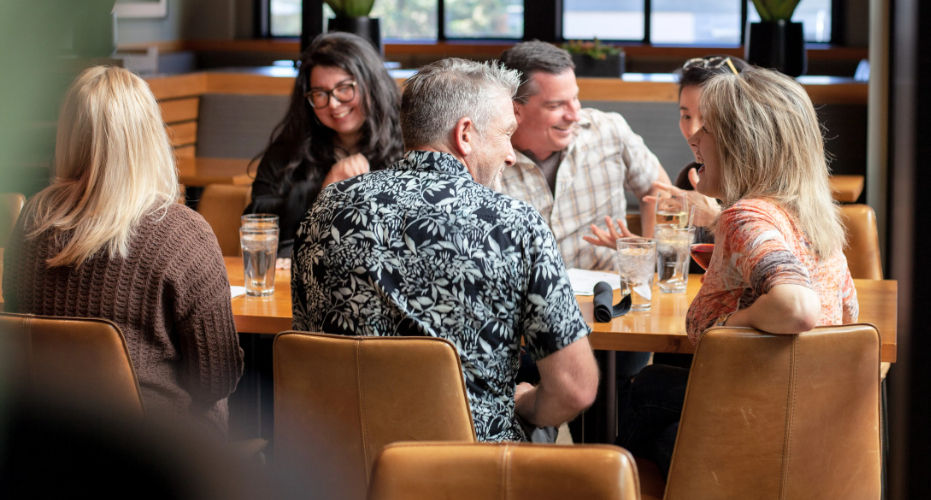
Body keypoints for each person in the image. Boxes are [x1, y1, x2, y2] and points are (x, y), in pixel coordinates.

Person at [290, 58, 599, 442]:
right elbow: (576, 388)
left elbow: (307, 345)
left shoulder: (326, 207)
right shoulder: (515, 225)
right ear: (465, 134)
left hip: (337, 469)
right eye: (505, 134)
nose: (510, 155)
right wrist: (525, 403)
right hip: (470, 474)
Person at [616, 66, 860, 476]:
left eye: (707, 129)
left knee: (648, 387)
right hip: (807, 436)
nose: (693, 137)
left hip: (749, 432)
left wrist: (728, 325)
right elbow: (848, 314)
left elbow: (798, 307)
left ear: (742, 144)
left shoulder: (745, 217)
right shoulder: (815, 218)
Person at [2, 66, 244, 435]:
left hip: (43, 450)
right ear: (150, 136)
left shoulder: (33, 219)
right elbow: (217, 380)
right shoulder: (183, 233)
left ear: (67, 136)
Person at [498, 40, 671, 271]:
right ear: (515, 109)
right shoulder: (485, 161)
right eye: (556, 105)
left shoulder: (609, 130)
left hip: (610, 297)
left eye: (575, 99)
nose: (574, 115)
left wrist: (647, 257)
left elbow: (658, 189)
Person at [244, 32, 403, 258]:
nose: (334, 104)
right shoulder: (291, 146)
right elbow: (257, 219)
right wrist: (323, 190)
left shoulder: (409, 143)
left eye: (345, 88)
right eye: (320, 94)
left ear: (372, 85)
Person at [584, 55, 749, 250]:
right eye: (686, 116)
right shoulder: (691, 180)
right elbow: (681, 265)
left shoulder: (765, 181)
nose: (692, 130)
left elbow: (775, 258)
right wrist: (644, 251)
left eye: (706, 117)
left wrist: (714, 219)